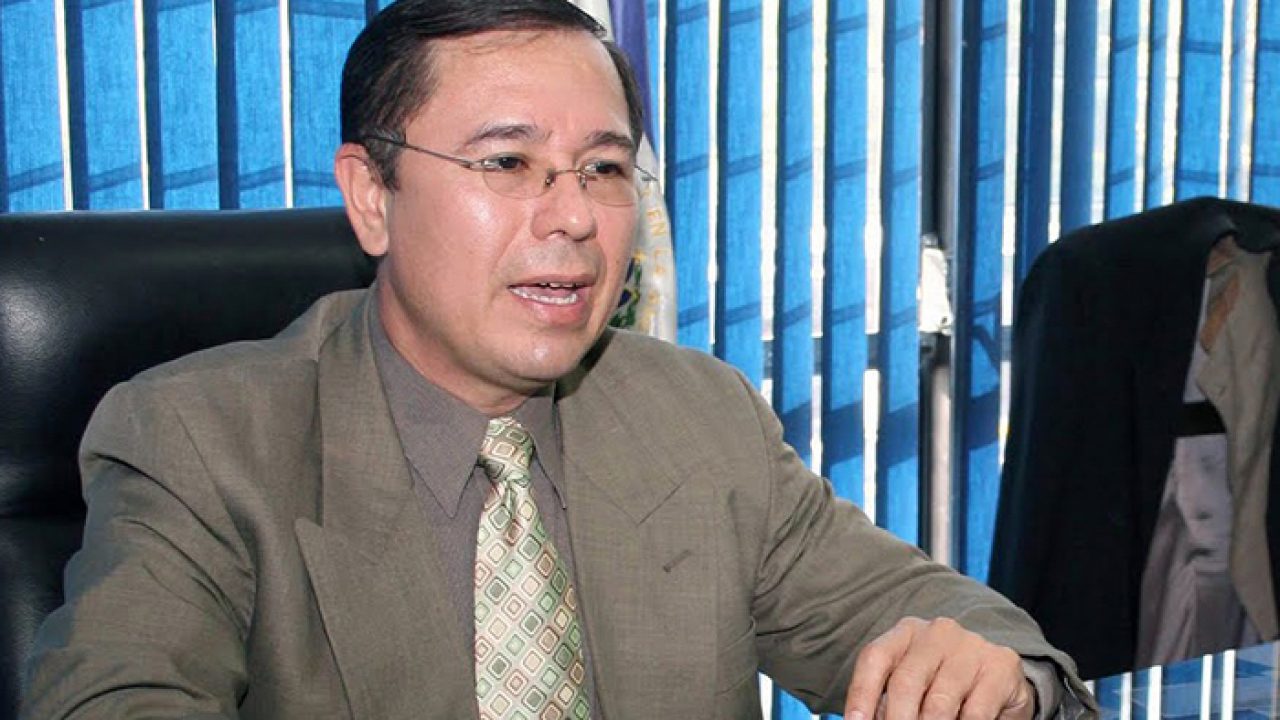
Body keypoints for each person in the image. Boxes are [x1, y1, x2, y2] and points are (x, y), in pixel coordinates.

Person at [23, 1, 1094, 718]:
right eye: (508, 162)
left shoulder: (696, 416)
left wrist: (995, 674)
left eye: (604, 169)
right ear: (371, 195)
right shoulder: (202, 440)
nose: (574, 217)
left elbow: (962, 627)